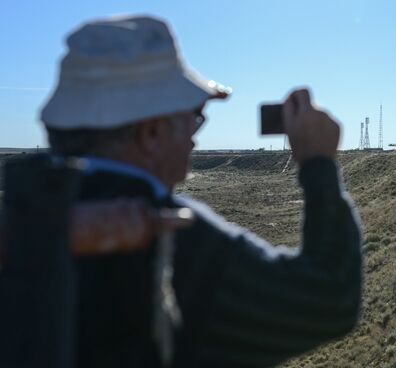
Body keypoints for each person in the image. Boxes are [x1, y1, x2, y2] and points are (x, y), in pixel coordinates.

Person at [38, 15, 362, 368]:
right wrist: (318, 164)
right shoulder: (168, 232)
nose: (195, 137)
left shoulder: (26, 220)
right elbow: (330, 299)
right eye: (193, 118)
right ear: (152, 133)